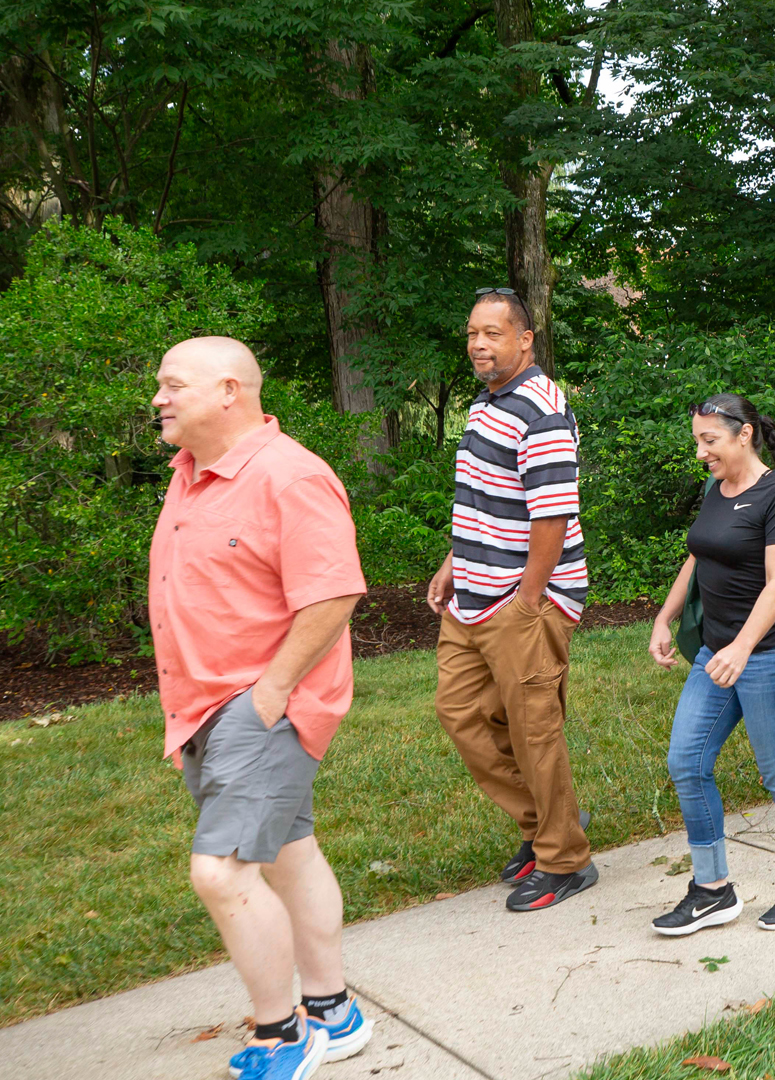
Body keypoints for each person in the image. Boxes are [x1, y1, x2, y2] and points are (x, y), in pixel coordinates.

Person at [149, 337, 371, 1080]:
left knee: (222, 872)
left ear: (228, 391)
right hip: (206, 707)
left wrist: (269, 696)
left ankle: (284, 1035)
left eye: (173, 385)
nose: (159, 399)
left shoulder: (289, 476)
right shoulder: (190, 474)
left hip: (263, 703)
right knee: (287, 851)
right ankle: (333, 1009)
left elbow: (334, 593)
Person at [426, 289, 596, 912]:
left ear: (525, 339)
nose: (478, 344)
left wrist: (527, 601)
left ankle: (564, 860)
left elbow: (552, 516)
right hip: (472, 594)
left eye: (492, 334)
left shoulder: (541, 409)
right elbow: (482, 496)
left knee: (533, 731)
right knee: (462, 714)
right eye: (473, 333)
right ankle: (544, 824)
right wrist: (454, 562)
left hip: (524, 600)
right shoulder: (487, 401)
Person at [648, 394, 775, 935]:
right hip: (717, 654)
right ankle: (713, 890)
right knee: (687, 762)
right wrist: (665, 616)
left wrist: (743, 647)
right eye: (697, 441)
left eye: (710, 441)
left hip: (771, 655)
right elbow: (697, 556)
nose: (701, 453)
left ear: (744, 434)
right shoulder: (716, 489)